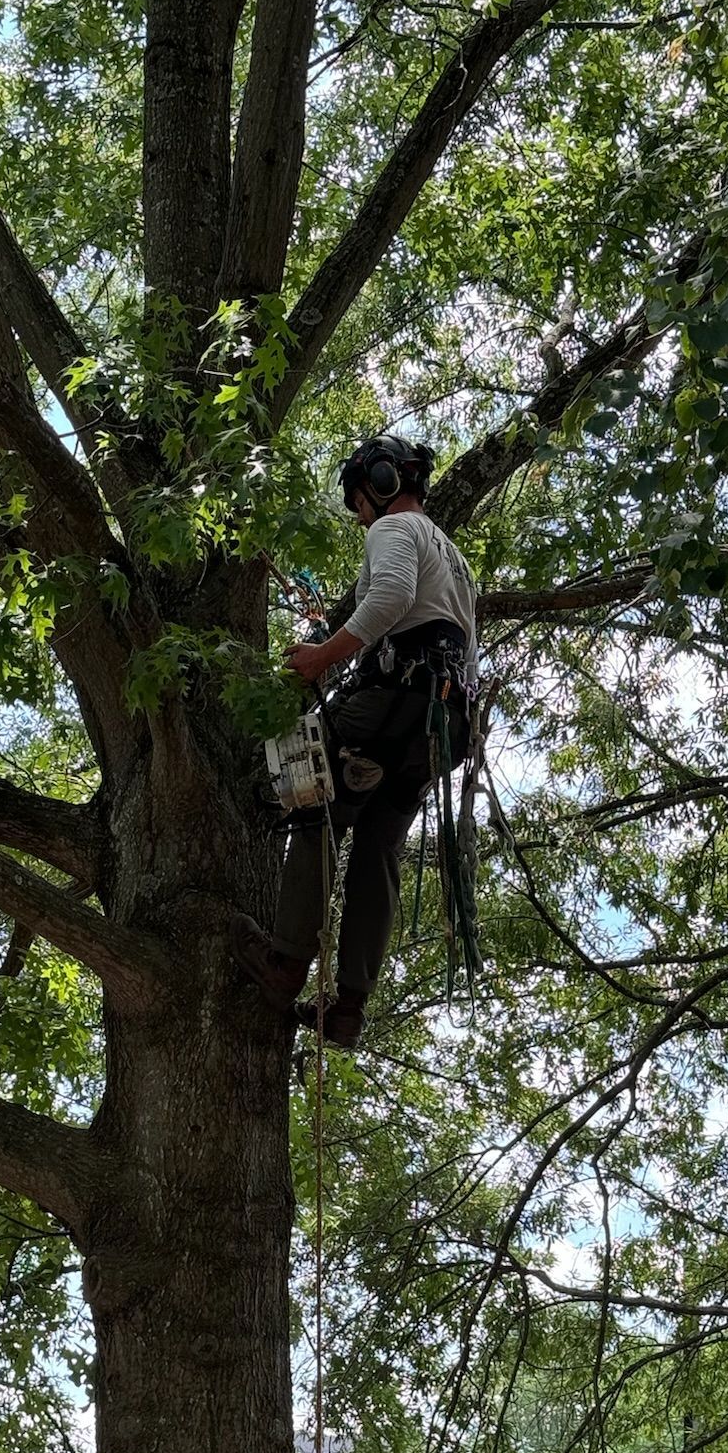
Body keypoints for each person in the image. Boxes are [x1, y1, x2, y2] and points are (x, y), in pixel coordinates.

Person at [233, 434, 477, 1049]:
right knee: (379, 850)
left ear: (383, 480)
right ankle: (348, 1007)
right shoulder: (456, 559)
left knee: (312, 803)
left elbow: (390, 598)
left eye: (359, 501)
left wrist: (321, 657)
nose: (360, 515)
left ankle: (287, 962)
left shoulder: (395, 531)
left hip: (391, 699)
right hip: (439, 728)